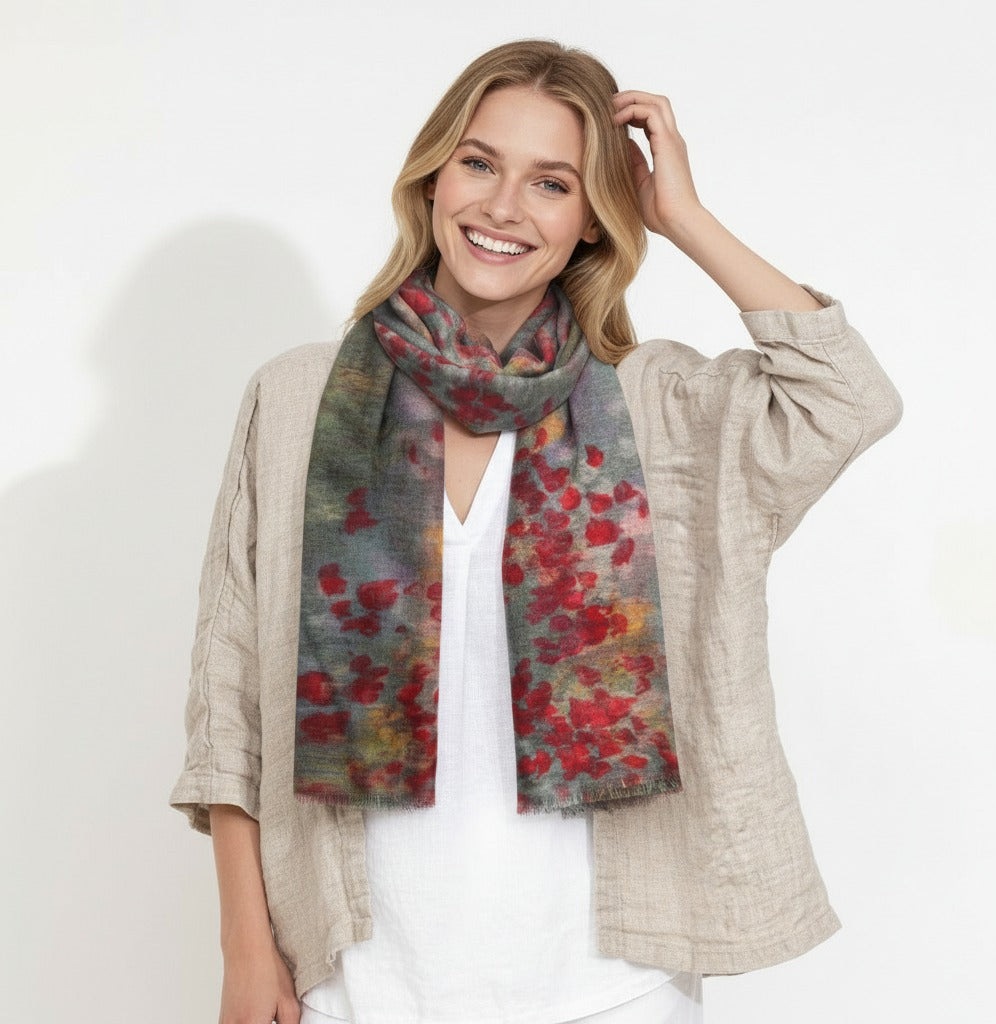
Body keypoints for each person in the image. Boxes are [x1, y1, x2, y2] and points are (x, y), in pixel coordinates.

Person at [170, 39, 901, 1024]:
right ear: (433, 179)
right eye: (479, 163)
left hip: (612, 987)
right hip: (360, 983)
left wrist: (682, 215)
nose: (504, 207)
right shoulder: (298, 398)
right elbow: (231, 692)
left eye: (552, 183)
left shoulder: (657, 409)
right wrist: (245, 951)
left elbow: (846, 400)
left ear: (594, 217)